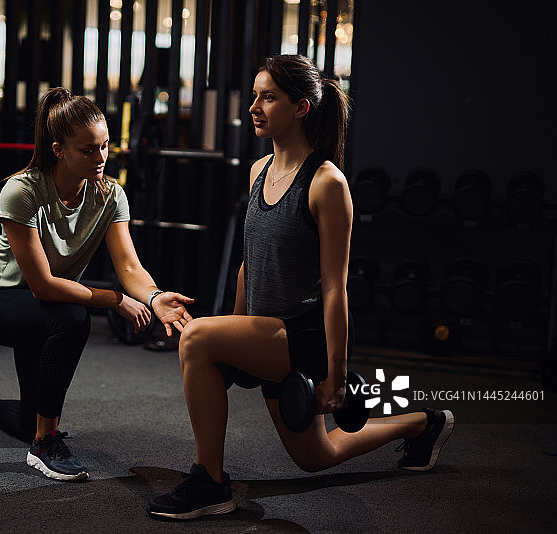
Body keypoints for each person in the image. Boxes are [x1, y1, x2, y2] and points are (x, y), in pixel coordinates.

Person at [146, 54, 454, 520]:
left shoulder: (327, 183)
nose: (254, 106)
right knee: (316, 456)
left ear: (301, 108)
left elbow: (335, 288)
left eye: (268, 97)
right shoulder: (258, 171)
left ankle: (210, 482)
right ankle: (420, 424)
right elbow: (250, 265)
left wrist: (336, 374)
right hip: (264, 331)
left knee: (196, 336)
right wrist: (236, 330)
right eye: (254, 95)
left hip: (301, 337)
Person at [0, 87, 194, 482]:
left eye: (105, 146)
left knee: (27, 417)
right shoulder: (22, 191)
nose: (101, 158)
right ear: (59, 150)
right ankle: (46, 442)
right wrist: (115, 300)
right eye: (88, 149)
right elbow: (43, 287)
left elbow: (130, 265)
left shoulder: (110, 195)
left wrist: (153, 297)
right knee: (72, 318)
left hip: (43, 306)